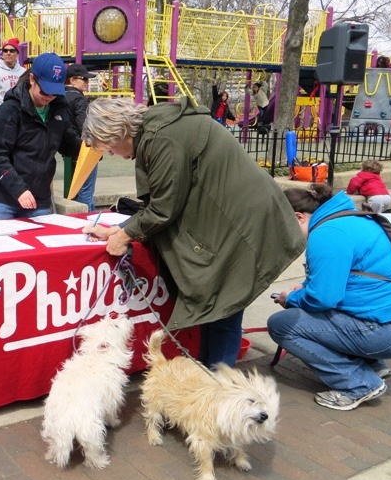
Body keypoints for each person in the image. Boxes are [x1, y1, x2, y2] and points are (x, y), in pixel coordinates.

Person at [81, 97, 305, 367]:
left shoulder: (161, 137)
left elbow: (164, 206)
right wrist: (118, 229)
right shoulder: (161, 129)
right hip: (238, 215)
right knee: (216, 309)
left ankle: (218, 387)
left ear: (116, 132)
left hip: (242, 221)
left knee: (224, 306)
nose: (112, 154)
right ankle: (209, 377)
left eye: (109, 147)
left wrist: (124, 236)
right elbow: (165, 200)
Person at [268, 184, 391, 411]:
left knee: (282, 325)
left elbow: (323, 300)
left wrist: (291, 298)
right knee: (314, 312)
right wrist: (307, 287)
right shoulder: (350, 219)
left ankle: (360, 384)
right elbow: (353, 276)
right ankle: (372, 364)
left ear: (298, 217)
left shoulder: (326, 234)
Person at [0, 52, 81, 220]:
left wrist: (89, 148)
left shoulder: (59, 110)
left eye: (54, 93)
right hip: (1, 199)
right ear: (32, 79)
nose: (50, 97)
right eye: (45, 91)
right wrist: (18, 189)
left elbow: (67, 142)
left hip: (38, 198)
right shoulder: (9, 110)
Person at [65, 63, 97, 211]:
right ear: (72, 80)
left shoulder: (60, 97)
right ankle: (88, 218)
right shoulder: (79, 99)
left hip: (68, 145)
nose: (87, 82)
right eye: (83, 79)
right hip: (83, 147)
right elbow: (83, 124)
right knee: (86, 190)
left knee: (75, 188)